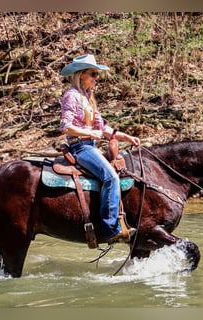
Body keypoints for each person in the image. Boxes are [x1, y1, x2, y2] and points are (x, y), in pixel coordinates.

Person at [59, 54, 140, 244]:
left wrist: (123, 136)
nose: (96, 78)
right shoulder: (71, 95)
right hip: (80, 147)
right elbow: (66, 126)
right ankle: (111, 229)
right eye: (93, 74)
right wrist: (88, 132)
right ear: (81, 75)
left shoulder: (88, 97)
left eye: (97, 74)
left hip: (91, 145)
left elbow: (102, 127)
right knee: (110, 177)